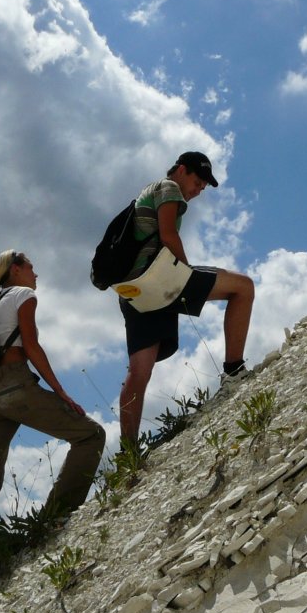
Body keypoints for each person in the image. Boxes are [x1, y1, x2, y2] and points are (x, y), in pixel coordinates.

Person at [0, 250, 106, 557]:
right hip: (16, 384)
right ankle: (52, 522)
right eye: (31, 268)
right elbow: (31, 345)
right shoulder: (23, 294)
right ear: (15, 269)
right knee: (90, 435)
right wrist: (61, 391)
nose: (35, 275)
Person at [118, 151, 255, 445]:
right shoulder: (168, 188)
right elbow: (168, 235)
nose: (197, 191)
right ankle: (233, 371)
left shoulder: (145, 193)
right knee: (243, 287)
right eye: (196, 181)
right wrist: (185, 271)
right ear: (181, 170)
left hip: (134, 289)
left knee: (139, 371)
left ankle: (128, 451)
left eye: (203, 188)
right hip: (159, 277)